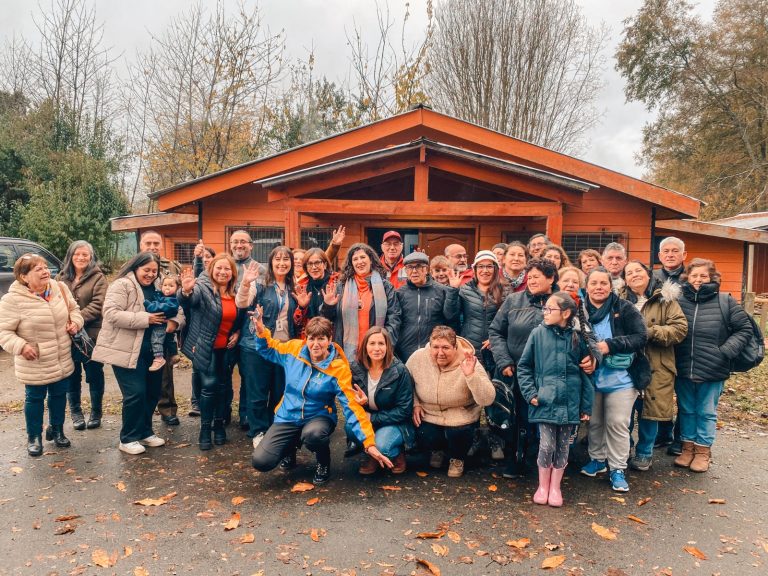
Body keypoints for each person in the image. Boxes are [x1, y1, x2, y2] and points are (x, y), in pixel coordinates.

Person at [250, 314, 392, 484]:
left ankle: (323, 462)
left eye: (321, 339)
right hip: (287, 416)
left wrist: (369, 443)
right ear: (306, 338)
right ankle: (289, 447)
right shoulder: (294, 350)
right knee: (261, 462)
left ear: (330, 339)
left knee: (313, 435)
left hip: (318, 417)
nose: (315, 344)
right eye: (311, 338)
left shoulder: (338, 369)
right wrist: (261, 331)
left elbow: (352, 407)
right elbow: (268, 349)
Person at [92, 252, 185, 455]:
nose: (151, 274)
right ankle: (128, 438)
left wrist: (174, 322)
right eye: (146, 270)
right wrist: (146, 319)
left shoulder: (161, 284)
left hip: (154, 352)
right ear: (136, 267)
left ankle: (145, 431)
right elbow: (111, 313)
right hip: (126, 350)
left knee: (152, 393)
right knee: (135, 394)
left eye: (154, 270)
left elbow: (178, 310)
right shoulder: (122, 285)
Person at [517, 291, 596, 507]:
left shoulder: (578, 337)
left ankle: (555, 487)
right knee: (546, 445)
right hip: (545, 400)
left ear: (565, 313)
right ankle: (542, 486)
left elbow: (586, 374)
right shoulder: (537, 334)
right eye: (544, 308)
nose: (545, 312)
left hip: (571, 402)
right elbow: (524, 366)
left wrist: (586, 405)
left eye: (550, 309)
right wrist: (531, 393)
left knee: (563, 446)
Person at [0, 254, 83, 456]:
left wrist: (75, 324)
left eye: (45, 267)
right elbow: (4, 332)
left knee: (58, 395)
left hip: (61, 356)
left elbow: (75, 310)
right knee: (35, 398)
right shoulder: (12, 300)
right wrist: (20, 346)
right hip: (35, 359)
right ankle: (34, 437)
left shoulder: (59, 288)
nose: (46, 271)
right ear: (24, 277)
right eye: (38, 269)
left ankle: (57, 431)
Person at [673, 258, 752, 473]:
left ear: (712, 278)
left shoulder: (724, 300)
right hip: (683, 366)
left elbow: (744, 329)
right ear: (687, 278)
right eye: (694, 275)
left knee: (706, 411)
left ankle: (703, 451)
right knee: (687, 410)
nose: (698, 280)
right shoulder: (679, 301)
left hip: (713, 367)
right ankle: (687, 448)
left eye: (703, 276)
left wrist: (725, 352)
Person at [489, 258, 560, 478]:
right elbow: (496, 332)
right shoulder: (513, 300)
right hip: (517, 370)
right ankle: (514, 460)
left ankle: (541, 463)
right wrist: (504, 360)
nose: (532, 280)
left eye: (538, 276)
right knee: (516, 418)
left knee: (542, 418)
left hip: (549, 373)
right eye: (530, 276)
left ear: (551, 279)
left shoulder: (561, 302)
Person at [580, 267, 648, 492]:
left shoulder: (624, 308)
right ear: (586, 286)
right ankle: (597, 459)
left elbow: (641, 336)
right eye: (594, 283)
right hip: (592, 378)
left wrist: (610, 345)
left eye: (603, 283)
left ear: (611, 286)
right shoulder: (580, 310)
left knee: (617, 423)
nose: (598, 287)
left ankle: (617, 467)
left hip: (622, 379)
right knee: (595, 422)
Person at [620, 261, 687, 471]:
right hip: (626, 365)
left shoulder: (665, 299)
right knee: (624, 413)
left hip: (657, 364)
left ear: (648, 274)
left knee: (650, 411)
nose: (634, 275)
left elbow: (680, 328)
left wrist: (649, 332)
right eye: (629, 273)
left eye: (638, 270)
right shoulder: (619, 299)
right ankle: (624, 451)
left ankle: (644, 453)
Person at [407, 326, 495, 478]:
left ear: (455, 347)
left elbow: (487, 398)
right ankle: (437, 450)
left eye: (446, 348)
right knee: (423, 432)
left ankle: (458, 458)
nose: (440, 353)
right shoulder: (418, 357)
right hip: (429, 412)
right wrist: (415, 403)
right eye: (436, 347)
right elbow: (405, 384)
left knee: (458, 434)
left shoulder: (468, 360)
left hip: (461, 414)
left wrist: (471, 375)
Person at [237, 246, 300, 448]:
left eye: (286, 260)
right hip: (258, 346)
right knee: (257, 391)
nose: (282, 263)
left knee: (280, 390)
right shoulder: (261, 284)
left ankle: (275, 429)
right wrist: (246, 283)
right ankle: (258, 431)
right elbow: (242, 302)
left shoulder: (293, 287)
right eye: (278, 259)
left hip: (283, 349)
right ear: (271, 263)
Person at [181, 253, 245, 450]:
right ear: (212, 270)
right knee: (209, 386)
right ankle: (205, 428)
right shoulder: (203, 288)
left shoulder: (236, 293)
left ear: (232, 273)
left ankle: (219, 425)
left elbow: (241, 314)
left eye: (227, 269)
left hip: (226, 348)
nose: (223, 272)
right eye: (219, 268)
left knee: (224, 387)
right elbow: (190, 301)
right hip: (204, 347)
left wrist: (238, 331)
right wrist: (185, 291)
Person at [455, 251, 507, 460]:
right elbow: (452, 315)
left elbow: (508, 320)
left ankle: (496, 439)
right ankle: (474, 437)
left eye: (489, 266)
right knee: (471, 396)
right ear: (474, 270)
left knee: (495, 394)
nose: (485, 270)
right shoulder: (465, 290)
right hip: (471, 348)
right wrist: (453, 290)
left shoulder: (505, 291)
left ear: (495, 269)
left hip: (496, 350)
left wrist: (497, 339)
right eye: (481, 267)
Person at [56, 241, 107, 430]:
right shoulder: (61, 277)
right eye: (77, 254)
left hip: (92, 334)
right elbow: (55, 301)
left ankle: (96, 412)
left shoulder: (99, 278)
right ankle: (76, 412)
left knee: (94, 373)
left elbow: (98, 304)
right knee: (72, 374)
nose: (81, 258)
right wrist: (68, 322)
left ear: (91, 257)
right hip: (67, 334)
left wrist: (77, 320)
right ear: (70, 256)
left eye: (85, 254)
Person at [349, 327, 414, 475]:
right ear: (365, 346)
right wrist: (363, 405)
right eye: (372, 343)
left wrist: (373, 417)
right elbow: (348, 400)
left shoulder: (399, 371)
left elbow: (404, 410)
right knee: (350, 428)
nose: (376, 348)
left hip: (394, 422)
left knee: (383, 445)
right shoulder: (355, 368)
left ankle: (397, 453)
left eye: (381, 343)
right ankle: (372, 454)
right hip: (370, 419)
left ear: (388, 347)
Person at [321, 243, 401, 361]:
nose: (359, 262)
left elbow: (394, 318)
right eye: (355, 259)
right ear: (351, 263)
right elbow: (328, 319)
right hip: (345, 351)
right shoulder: (341, 287)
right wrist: (328, 306)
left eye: (363, 257)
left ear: (371, 260)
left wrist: (383, 344)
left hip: (376, 351)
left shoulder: (386, 287)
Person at [139, 230, 182, 426]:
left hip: (164, 327)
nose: (152, 247)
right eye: (148, 243)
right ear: (141, 245)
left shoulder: (171, 267)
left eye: (156, 243)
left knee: (164, 372)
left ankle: (167, 409)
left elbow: (180, 299)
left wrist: (175, 321)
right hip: (139, 327)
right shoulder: (132, 266)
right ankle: (141, 414)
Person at [652, 236, 688, 453]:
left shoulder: (691, 276)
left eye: (675, 251)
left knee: (683, 393)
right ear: (659, 256)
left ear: (684, 254)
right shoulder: (653, 277)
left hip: (682, 341)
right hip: (658, 342)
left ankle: (680, 438)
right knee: (660, 390)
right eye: (666, 251)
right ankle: (662, 433)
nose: (670, 254)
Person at [394, 251, 460, 362]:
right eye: (410, 267)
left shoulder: (442, 291)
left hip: (433, 352)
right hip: (405, 353)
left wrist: (453, 291)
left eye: (419, 267)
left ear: (426, 269)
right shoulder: (400, 293)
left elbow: (451, 317)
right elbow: (395, 322)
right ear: (406, 271)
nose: (414, 271)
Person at [189, 242, 216, 417]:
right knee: (197, 368)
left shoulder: (220, 277)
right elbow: (197, 273)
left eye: (209, 257)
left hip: (216, 333)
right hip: (198, 331)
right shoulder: (198, 280)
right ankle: (195, 401)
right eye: (203, 257)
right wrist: (197, 258)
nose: (206, 260)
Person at [293, 247, 340, 337]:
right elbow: (297, 322)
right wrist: (302, 307)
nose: (314, 267)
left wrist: (328, 306)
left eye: (317, 263)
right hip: (309, 337)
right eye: (310, 264)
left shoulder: (336, 282)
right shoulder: (302, 286)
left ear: (325, 264)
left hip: (331, 336)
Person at [144, 274, 181, 372]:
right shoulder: (165, 297)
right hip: (163, 323)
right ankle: (174, 354)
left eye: (171, 286)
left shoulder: (172, 300)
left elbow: (159, 308)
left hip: (162, 324)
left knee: (156, 339)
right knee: (169, 339)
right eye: (165, 285)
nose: (167, 288)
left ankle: (158, 358)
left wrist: (149, 304)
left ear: (177, 288)